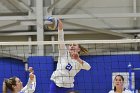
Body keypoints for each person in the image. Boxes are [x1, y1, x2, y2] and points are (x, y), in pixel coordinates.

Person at [49, 19, 91, 93]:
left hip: (68, 88)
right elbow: (61, 39)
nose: (71, 46)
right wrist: (60, 27)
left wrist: (78, 59)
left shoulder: (79, 63)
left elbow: (88, 67)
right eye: (70, 45)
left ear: (78, 49)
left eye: (74, 45)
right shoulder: (63, 52)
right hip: (55, 84)